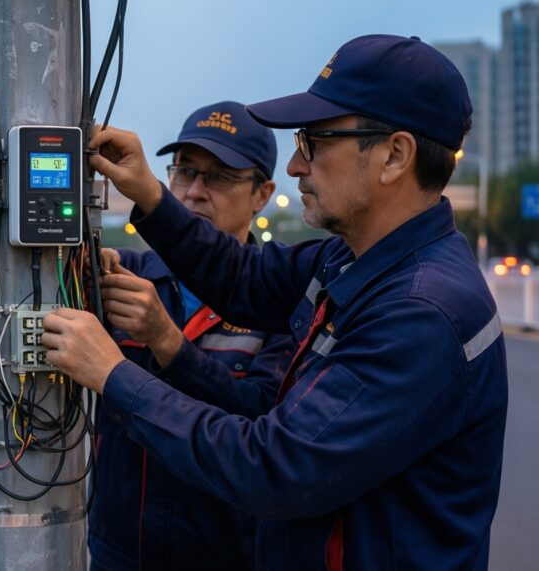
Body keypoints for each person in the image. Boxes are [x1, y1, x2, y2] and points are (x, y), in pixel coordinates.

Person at [43, 34, 506, 570]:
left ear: (394, 155)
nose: (295, 166)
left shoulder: (422, 311)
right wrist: (151, 194)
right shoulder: (353, 260)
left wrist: (114, 374)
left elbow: (275, 467)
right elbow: (244, 278)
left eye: (315, 141)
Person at [89, 101, 293, 570]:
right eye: (184, 172)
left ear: (262, 194)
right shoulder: (126, 275)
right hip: (119, 553)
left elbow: (262, 421)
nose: (195, 192)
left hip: (228, 556)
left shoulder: (281, 303)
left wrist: (168, 343)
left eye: (219, 177)